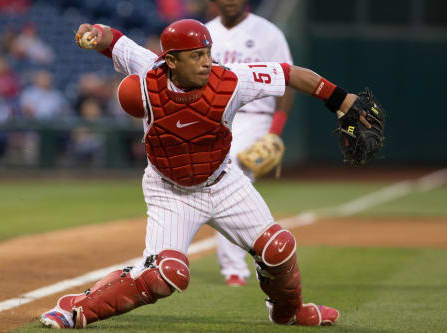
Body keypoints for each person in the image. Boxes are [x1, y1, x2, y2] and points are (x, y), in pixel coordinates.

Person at [40, 18, 365, 329]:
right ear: (171, 61)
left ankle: (290, 313)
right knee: (165, 276)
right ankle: (76, 308)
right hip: (169, 191)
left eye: (207, 53)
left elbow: (290, 74)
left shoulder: (232, 80)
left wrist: (340, 100)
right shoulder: (148, 70)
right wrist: (95, 32)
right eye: (196, 56)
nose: (207, 62)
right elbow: (114, 41)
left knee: (279, 248)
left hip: (224, 183)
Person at [206, 0, 295, 287]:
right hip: (214, 119)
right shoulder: (205, 33)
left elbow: (288, 82)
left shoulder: (268, 33)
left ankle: (236, 269)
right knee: (212, 186)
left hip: (255, 117)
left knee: (230, 177)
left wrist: (274, 132)